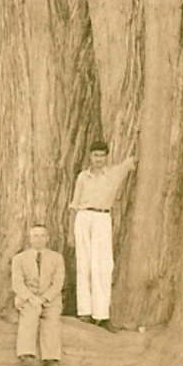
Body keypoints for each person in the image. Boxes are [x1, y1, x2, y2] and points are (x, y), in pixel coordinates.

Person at [68, 139, 137, 330]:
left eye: (102, 155)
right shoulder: (83, 177)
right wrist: (70, 231)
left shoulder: (114, 173)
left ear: (107, 157)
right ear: (90, 156)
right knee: (84, 265)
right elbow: (75, 203)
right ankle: (85, 311)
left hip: (102, 218)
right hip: (83, 217)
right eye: (95, 155)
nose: (98, 159)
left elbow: (133, 160)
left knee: (103, 265)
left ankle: (102, 314)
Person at [12, 223, 65, 366]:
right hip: (28, 298)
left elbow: (58, 283)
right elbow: (17, 284)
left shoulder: (56, 258)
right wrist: (31, 298)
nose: (39, 239)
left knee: (52, 320)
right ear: (30, 238)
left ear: (47, 238)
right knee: (29, 316)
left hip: (50, 298)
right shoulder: (19, 258)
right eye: (35, 235)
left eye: (42, 235)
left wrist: (44, 298)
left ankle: (51, 358)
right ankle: (26, 354)